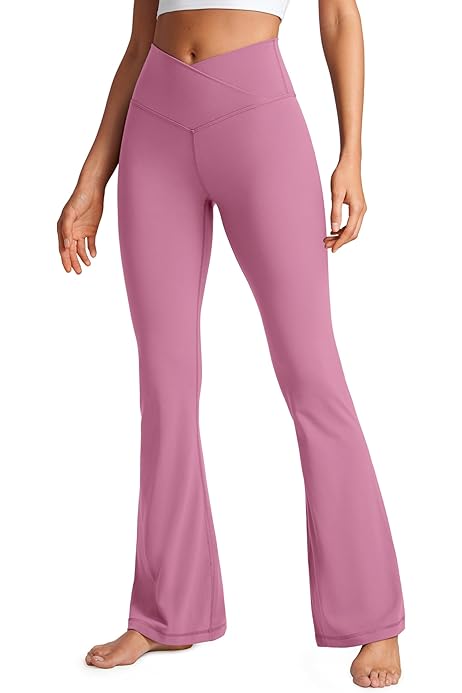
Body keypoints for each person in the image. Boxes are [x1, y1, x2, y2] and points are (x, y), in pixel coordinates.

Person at [57, 0, 405, 686]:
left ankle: (373, 618)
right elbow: (138, 44)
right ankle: (166, 613)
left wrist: (352, 153)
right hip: (154, 127)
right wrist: (92, 178)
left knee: (311, 374)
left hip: (258, 124)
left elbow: (339, 17)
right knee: (165, 385)